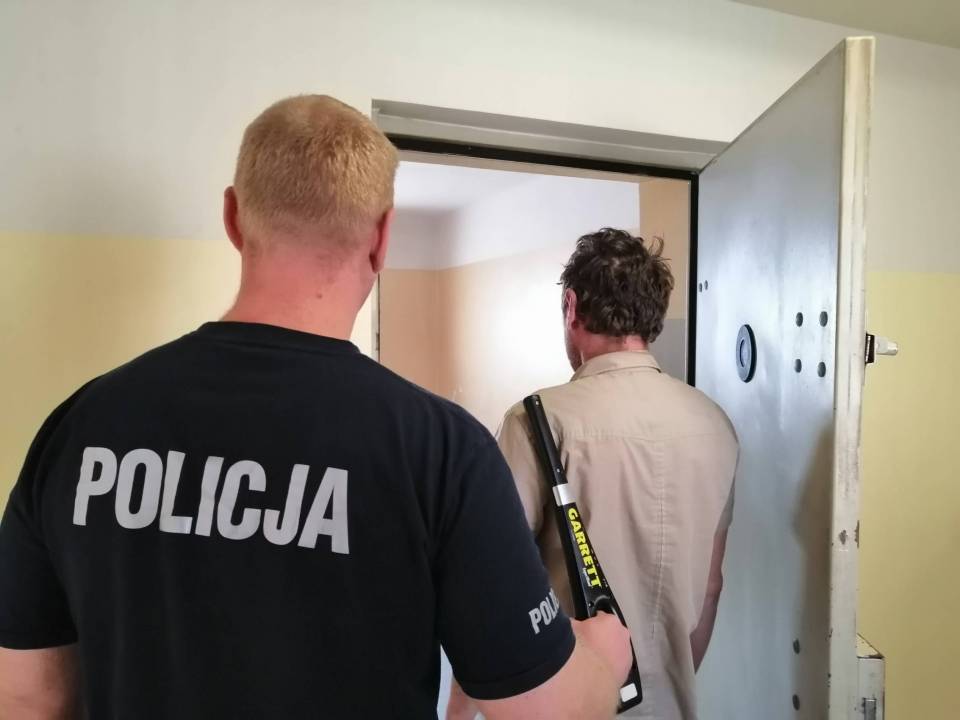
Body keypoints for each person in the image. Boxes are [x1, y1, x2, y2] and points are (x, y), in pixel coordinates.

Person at [0, 95, 631, 720]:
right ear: (382, 238)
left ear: (233, 217)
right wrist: (603, 659)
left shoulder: (78, 427)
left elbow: (27, 696)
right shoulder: (442, 450)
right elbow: (545, 711)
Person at [455, 229, 738, 720]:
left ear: (571, 305)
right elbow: (711, 586)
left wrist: (460, 712)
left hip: (569, 704)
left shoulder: (538, 420)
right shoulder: (715, 423)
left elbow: (490, 587)